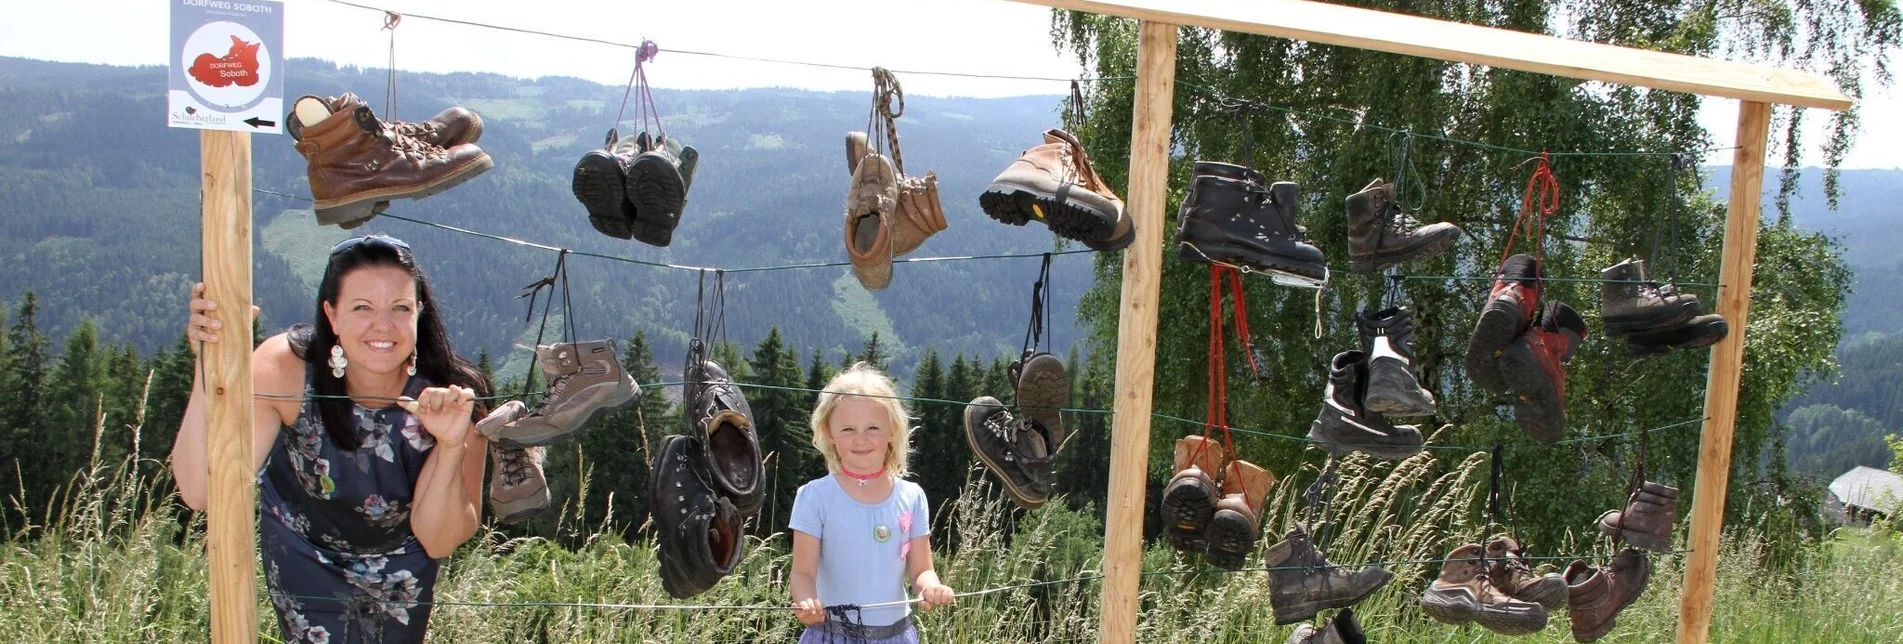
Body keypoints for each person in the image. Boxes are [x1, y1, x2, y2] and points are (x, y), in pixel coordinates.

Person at [174, 234, 491, 643]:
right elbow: (201, 491)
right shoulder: (286, 370)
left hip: (400, 566)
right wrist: (209, 364)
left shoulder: (454, 394)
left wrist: (450, 445)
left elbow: (440, 538)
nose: (383, 325)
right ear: (332, 315)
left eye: (400, 308)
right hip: (303, 553)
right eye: (362, 308)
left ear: (419, 313)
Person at [790, 362, 955, 643]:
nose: (861, 439)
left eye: (873, 428)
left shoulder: (912, 496)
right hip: (830, 634)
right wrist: (805, 602)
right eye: (848, 429)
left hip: (896, 636)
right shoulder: (814, 497)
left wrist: (931, 587)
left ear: (892, 431)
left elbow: (921, 570)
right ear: (829, 433)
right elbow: (802, 572)